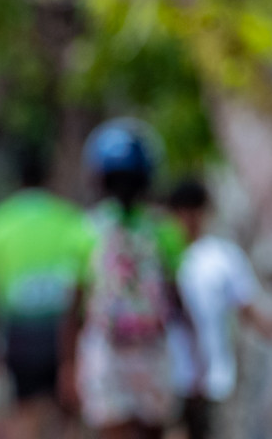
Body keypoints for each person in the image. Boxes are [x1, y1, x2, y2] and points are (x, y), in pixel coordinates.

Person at [62, 119, 191, 439]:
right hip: (149, 349)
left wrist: (67, 363)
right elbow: (178, 299)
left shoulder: (86, 230)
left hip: (109, 351)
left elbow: (73, 306)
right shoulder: (165, 231)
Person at [0, 146, 90, 439]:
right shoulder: (72, 220)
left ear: (15, 180)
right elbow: (87, 284)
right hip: (66, 336)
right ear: (49, 177)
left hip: (19, 337)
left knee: (23, 416)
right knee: (67, 417)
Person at [165, 179, 272, 439]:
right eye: (180, 211)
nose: (187, 219)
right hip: (171, 377)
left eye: (193, 210)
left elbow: (248, 307)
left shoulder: (222, 256)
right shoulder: (163, 256)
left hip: (216, 379)